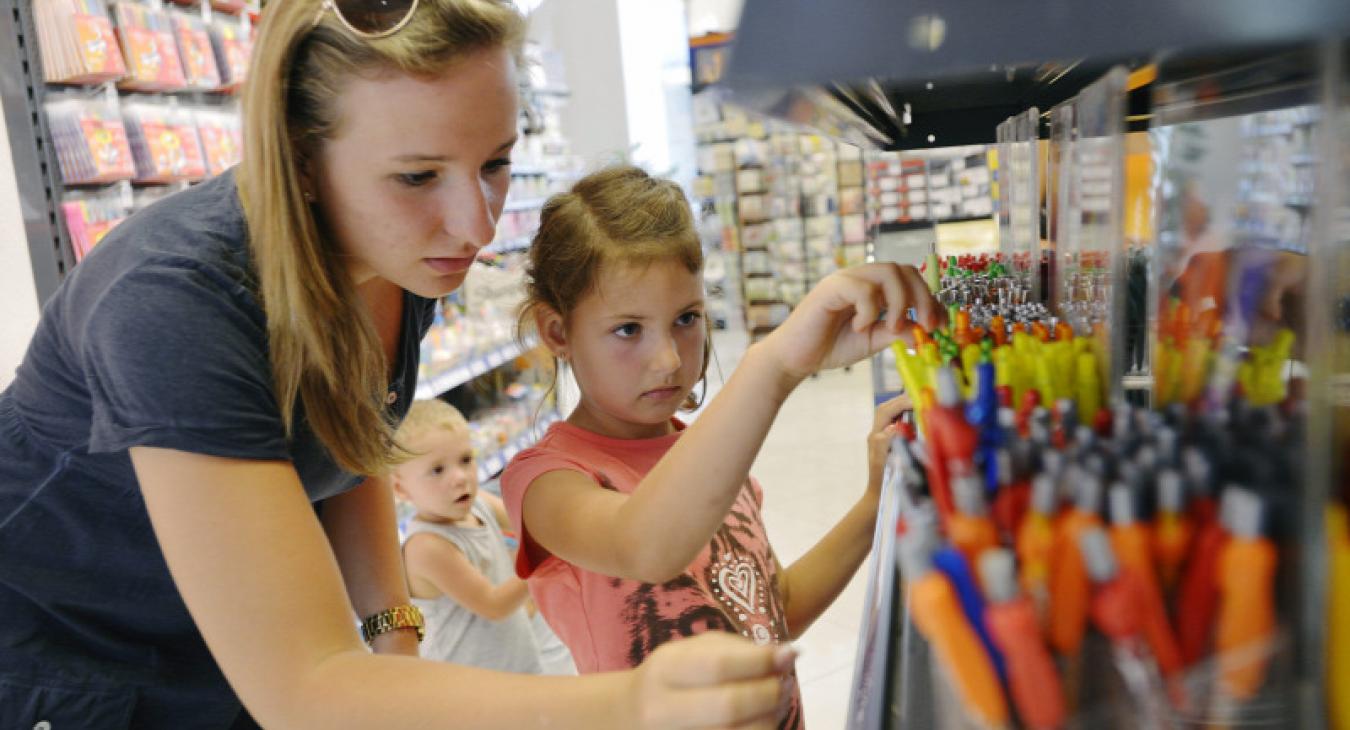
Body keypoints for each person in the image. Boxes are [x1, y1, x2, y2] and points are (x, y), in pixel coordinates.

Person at [0, 0, 908, 727]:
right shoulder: (173, 304)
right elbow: (304, 687)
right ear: (302, 160)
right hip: (64, 662)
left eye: (496, 163)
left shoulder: (394, 258)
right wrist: (624, 705)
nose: (475, 227)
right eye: (418, 176)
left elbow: (350, 436)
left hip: (217, 646)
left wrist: (394, 639)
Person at [500, 166, 936, 729]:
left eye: (686, 319)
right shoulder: (547, 481)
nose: (668, 360)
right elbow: (642, 544)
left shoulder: (709, 458)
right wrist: (774, 364)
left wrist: (875, 501)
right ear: (558, 332)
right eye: (629, 329)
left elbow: (771, 610)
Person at [392, 398, 557, 674]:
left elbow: (528, 524)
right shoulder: (427, 546)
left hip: (516, 660)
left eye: (466, 460)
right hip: (472, 681)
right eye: (437, 470)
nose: (460, 477)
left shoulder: (479, 503)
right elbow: (493, 604)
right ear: (401, 489)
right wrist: (544, 555)